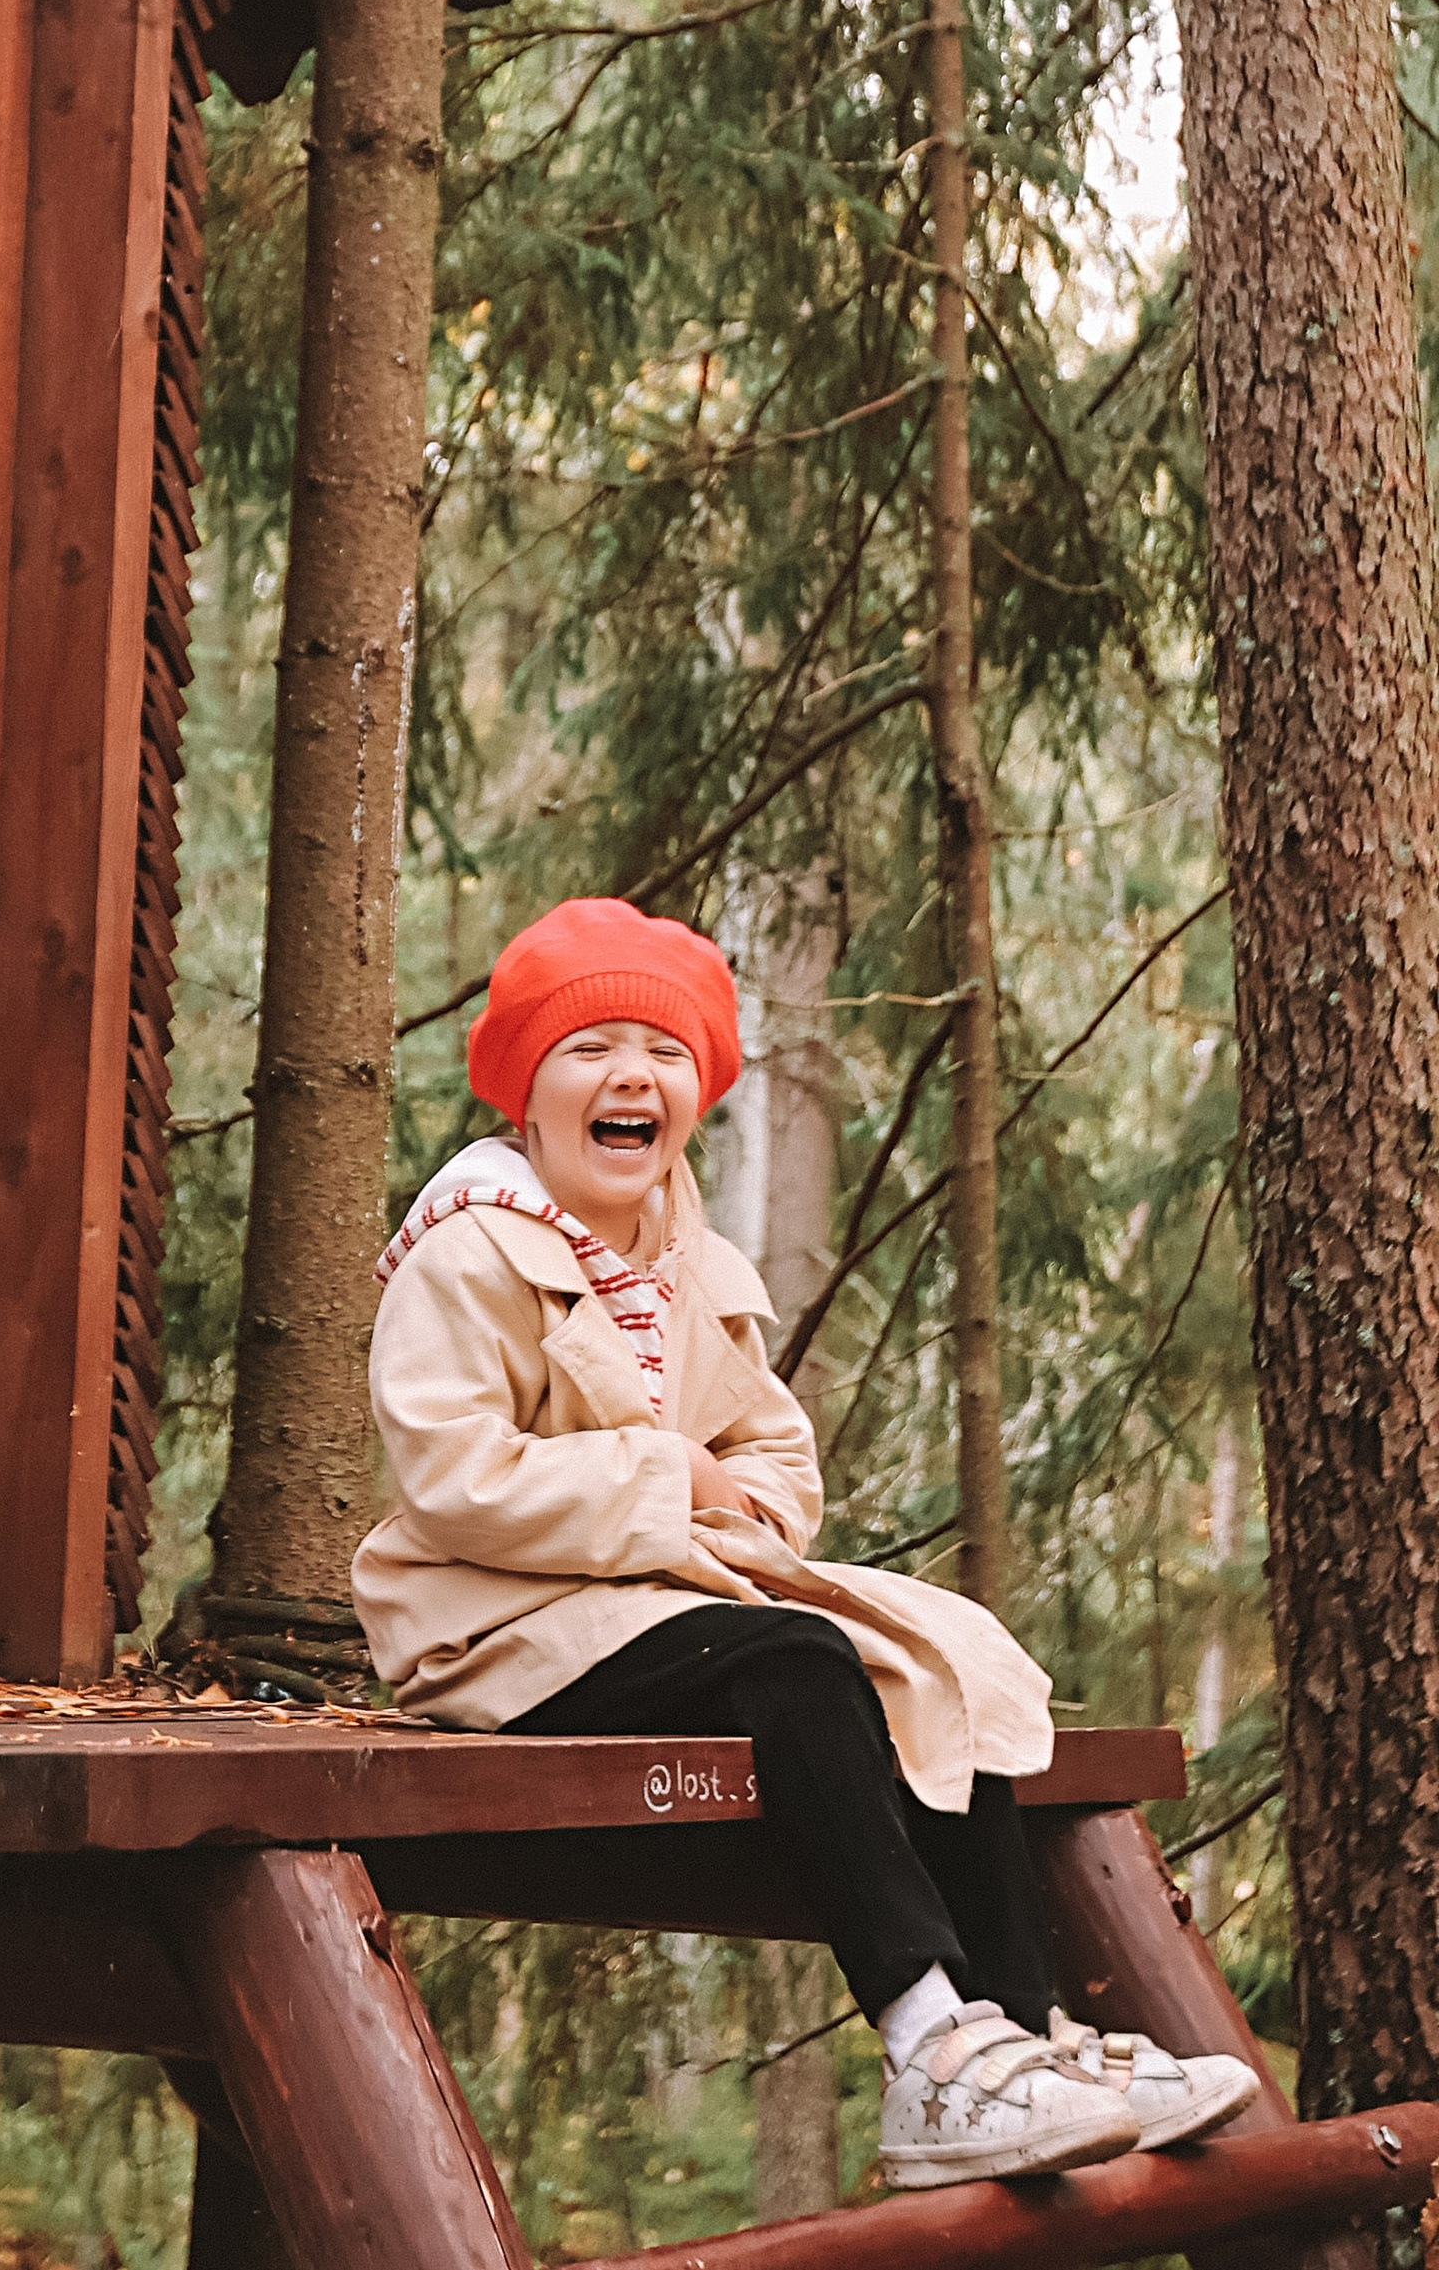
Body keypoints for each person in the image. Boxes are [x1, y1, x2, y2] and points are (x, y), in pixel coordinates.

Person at [352, 895, 1258, 2190]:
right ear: (526, 1099)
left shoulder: (686, 1257)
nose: (631, 1075)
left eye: (661, 1052)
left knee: (939, 1654)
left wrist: (749, 1501)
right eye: (590, 1046)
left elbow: (771, 1448)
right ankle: (925, 2034)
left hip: (659, 1595)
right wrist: (678, 1482)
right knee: (800, 1664)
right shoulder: (468, 1252)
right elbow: (454, 1478)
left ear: (696, 1093)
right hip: (492, 1620)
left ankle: (1018, 2031)